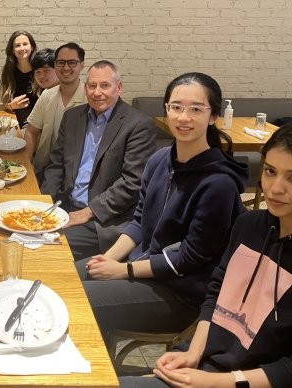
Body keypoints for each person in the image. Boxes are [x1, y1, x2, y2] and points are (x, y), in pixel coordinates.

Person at [121, 122, 292, 388]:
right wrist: (193, 352)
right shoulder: (249, 226)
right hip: (210, 369)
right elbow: (217, 293)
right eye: (270, 171)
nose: (275, 188)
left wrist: (219, 382)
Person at [78, 72, 248, 349]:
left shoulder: (218, 184)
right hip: (143, 267)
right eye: (176, 107)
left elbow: (189, 259)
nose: (183, 117)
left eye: (196, 109)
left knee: (77, 297)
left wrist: (123, 271)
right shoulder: (160, 160)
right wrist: (107, 260)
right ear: (166, 109)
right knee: (65, 276)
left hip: (181, 293)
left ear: (213, 115)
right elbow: (138, 222)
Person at [41, 60, 156, 260]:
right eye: (92, 86)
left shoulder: (138, 125)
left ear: (118, 88)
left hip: (104, 219)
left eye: (105, 85)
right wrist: (43, 204)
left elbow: (133, 183)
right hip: (65, 206)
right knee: (21, 233)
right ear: (85, 88)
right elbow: (56, 165)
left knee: (45, 247)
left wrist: (88, 211)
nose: (97, 92)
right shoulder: (73, 117)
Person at [25, 42, 87, 183]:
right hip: (45, 168)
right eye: (60, 63)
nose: (65, 68)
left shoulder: (90, 98)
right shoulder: (47, 95)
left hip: (77, 174)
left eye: (72, 62)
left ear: (82, 65)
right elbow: (31, 131)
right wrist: (28, 165)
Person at [0, 30, 37, 127]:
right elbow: (5, 102)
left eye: (25, 44)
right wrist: (12, 106)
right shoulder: (9, 69)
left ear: (32, 47)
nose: (22, 48)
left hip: (36, 121)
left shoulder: (39, 69)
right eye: (17, 45)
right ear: (12, 50)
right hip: (14, 119)